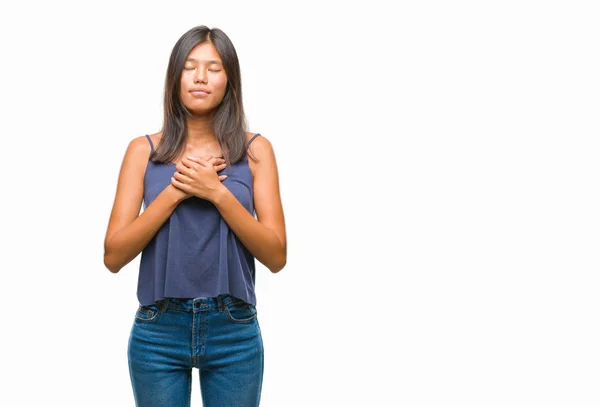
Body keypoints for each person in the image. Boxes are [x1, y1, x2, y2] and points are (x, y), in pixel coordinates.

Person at [103, 25, 286, 407]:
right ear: (175, 78)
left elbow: (276, 256)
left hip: (233, 329)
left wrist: (216, 192)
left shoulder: (256, 151)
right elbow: (114, 256)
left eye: (213, 67)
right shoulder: (143, 150)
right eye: (190, 67)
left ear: (229, 80)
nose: (201, 77)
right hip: (159, 331)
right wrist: (178, 190)